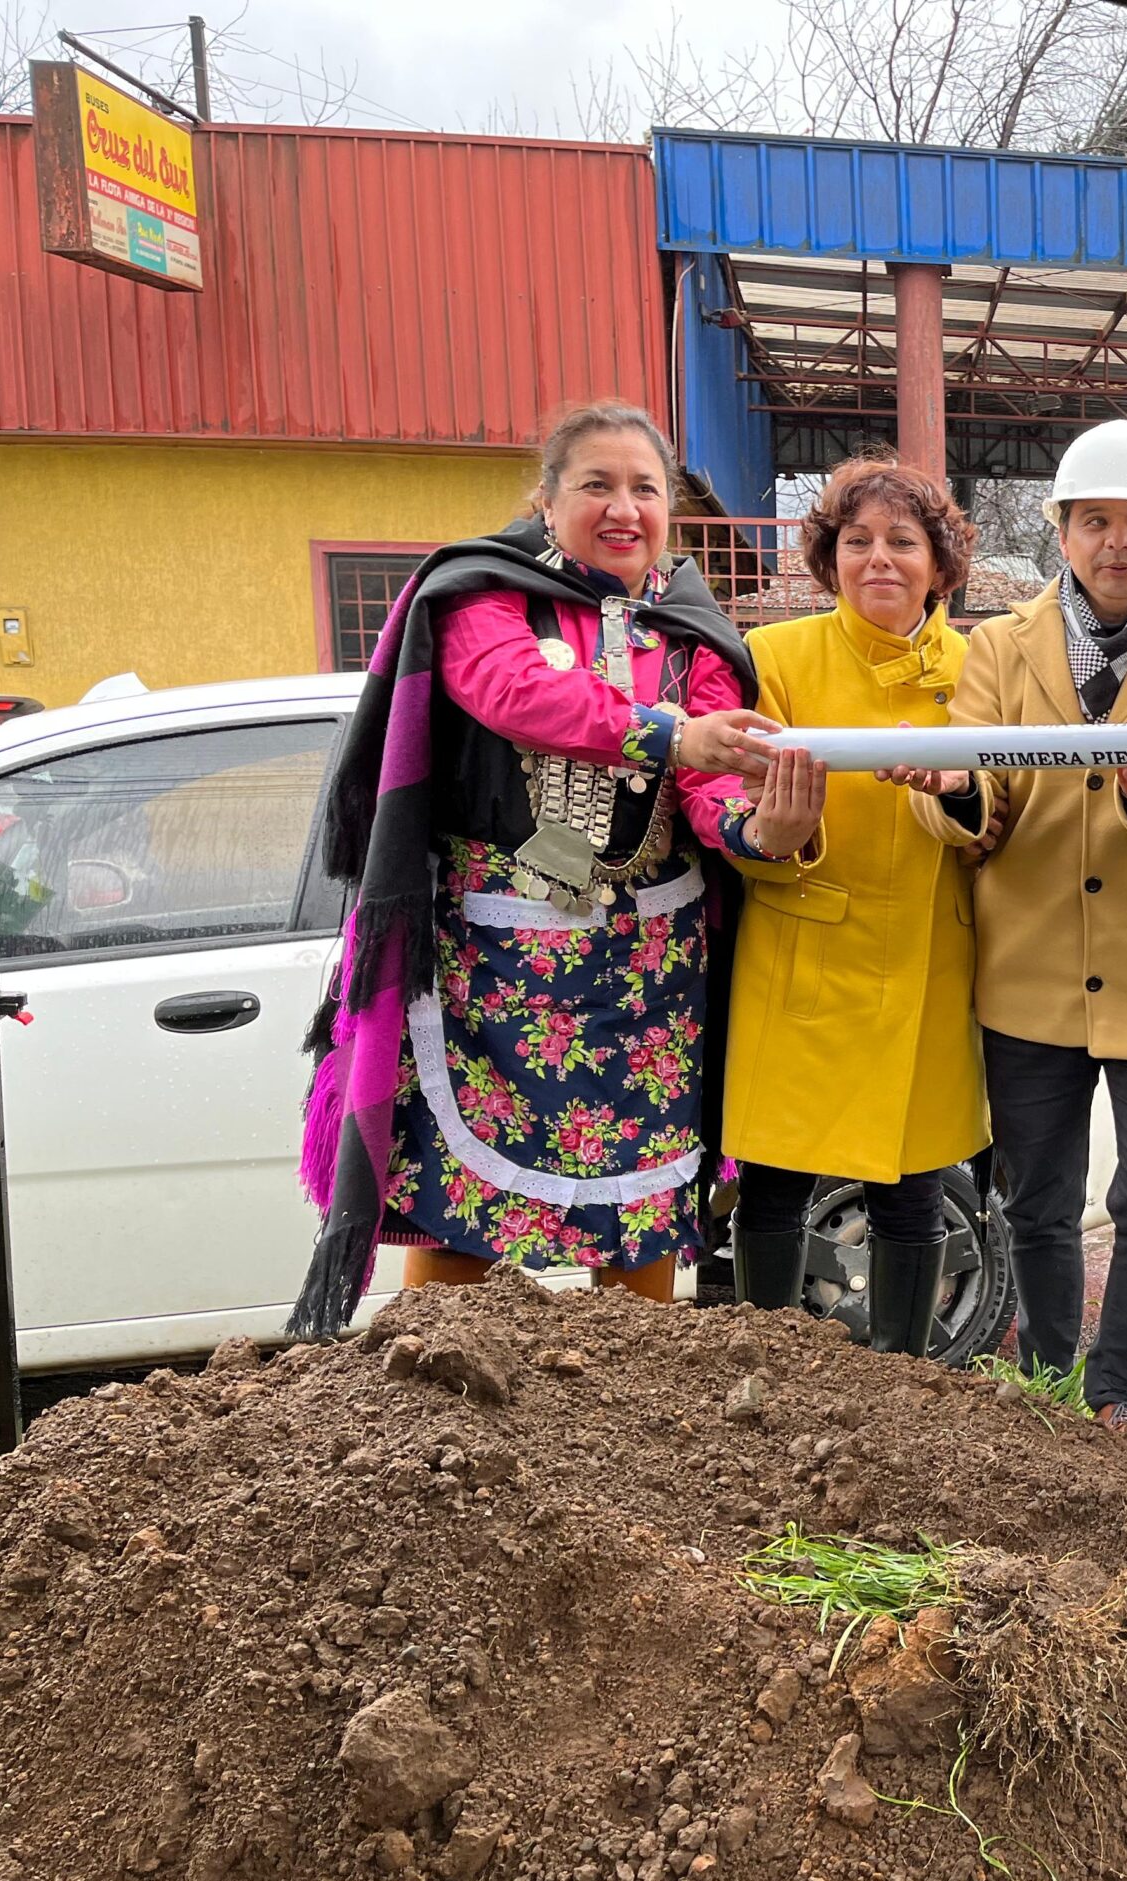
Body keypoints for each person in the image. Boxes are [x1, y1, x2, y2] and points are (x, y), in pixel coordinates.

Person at [292, 402, 777, 1338]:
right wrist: (672, 734)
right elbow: (514, 693)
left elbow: (713, 791)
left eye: (645, 488)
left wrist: (761, 827)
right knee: (463, 1216)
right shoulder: (485, 593)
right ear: (546, 501)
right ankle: (431, 1410)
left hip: (649, 974)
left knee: (637, 1228)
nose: (624, 507)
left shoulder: (691, 631)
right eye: (597, 484)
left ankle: (632, 1420)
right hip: (493, 970)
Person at [899, 419, 1127, 1428]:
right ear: (1059, 533)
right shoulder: (999, 648)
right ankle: (1056, 1382)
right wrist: (951, 791)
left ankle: (1119, 1395)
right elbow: (971, 790)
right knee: (1039, 1203)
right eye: (1095, 520)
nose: (1117, 542)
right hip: (1030, 973)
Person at [688, 456, 990, 1355]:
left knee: (914, 1184)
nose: (879, 559)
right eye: (856, 541)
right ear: (829, 559)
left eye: (903, 540)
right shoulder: (775, 659)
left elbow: (1003, 813)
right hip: (802, 956)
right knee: (775, 1179)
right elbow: (737, 805)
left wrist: (958, 791)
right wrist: (774, 831)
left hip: (929, 960)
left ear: (940, 562)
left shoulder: (979, 671)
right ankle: (768, 1377)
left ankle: (903, 1382)